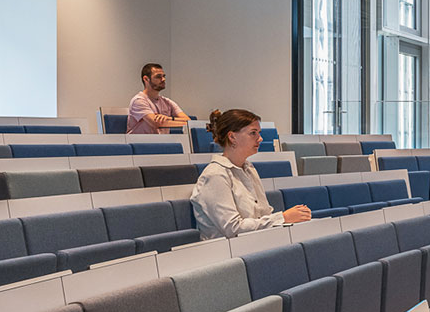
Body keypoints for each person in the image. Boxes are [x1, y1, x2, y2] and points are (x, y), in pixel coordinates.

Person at [191, 109, 311, 239]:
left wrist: (289, 219)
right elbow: (232, 229)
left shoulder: (249, 169)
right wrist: (282, 218)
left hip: (254, 243)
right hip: (227, 252)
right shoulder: (215, 175)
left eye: (258, 133)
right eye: (253, 133)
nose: (260, 139)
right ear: (232, 137)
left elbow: (264, 213)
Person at [129, 63, 190, 134]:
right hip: (140, 143)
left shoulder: (167, 101)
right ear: (146, 79)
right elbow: (157, 124)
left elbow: (189, 121)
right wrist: (180, 122)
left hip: (163, 142)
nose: (163, 79)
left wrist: (169, 118)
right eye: (158, 77)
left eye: (164, 76)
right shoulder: (138, 100)